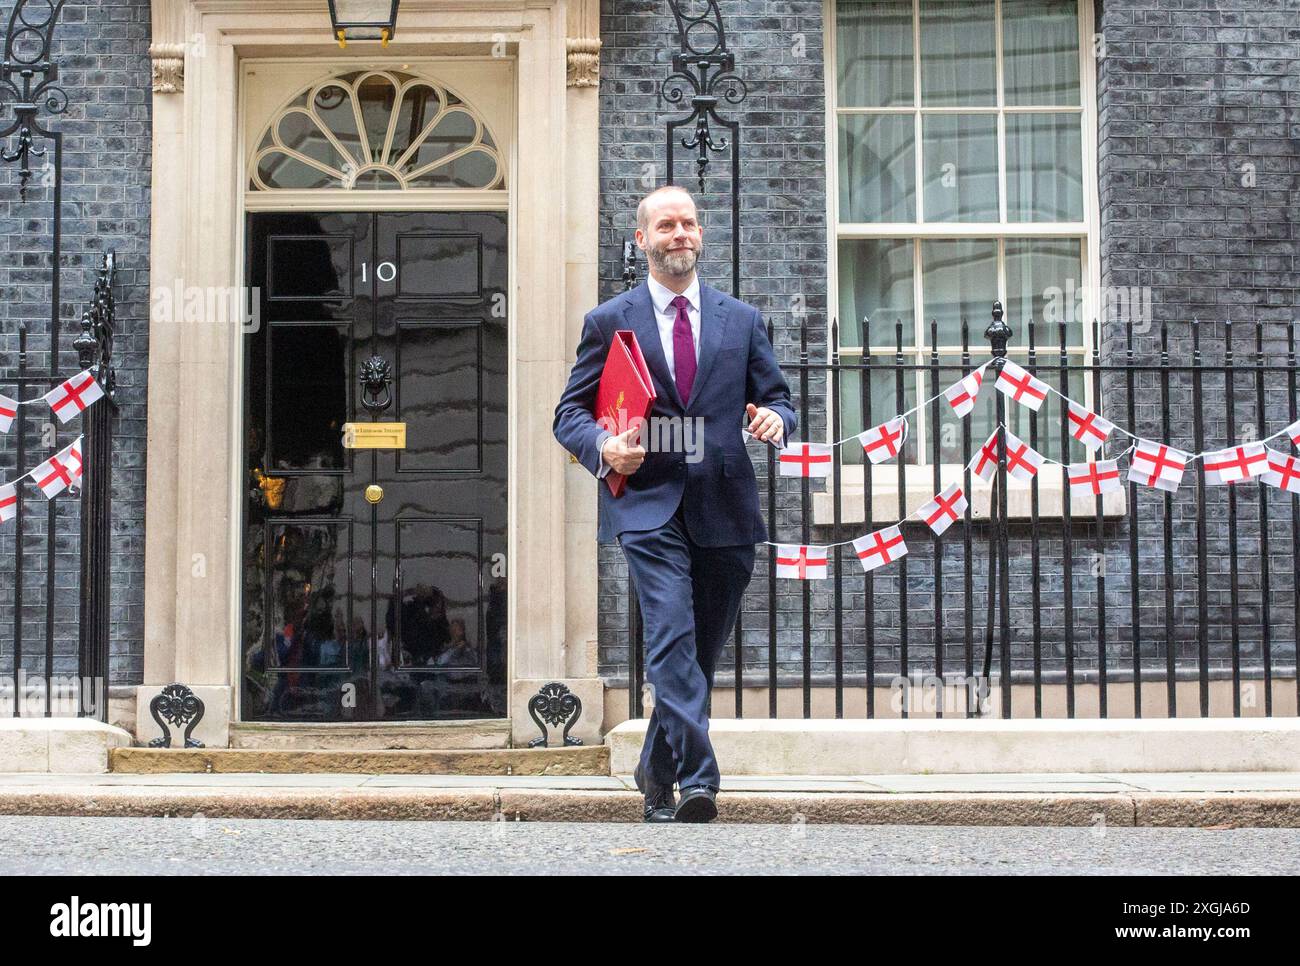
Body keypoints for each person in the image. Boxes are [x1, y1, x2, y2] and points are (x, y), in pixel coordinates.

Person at [553, 184, 796, 823]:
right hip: (647, 505)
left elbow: (779, 398)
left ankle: (653, 770)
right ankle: (698, 779)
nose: (679, 234)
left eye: (688, 223)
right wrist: (605, 447)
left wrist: (773, 419)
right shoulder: (610, 321)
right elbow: (568, 414)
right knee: (669, 635)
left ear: (701, 234)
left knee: (699, 651)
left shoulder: (740, 320)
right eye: (666, 226)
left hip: (724, 504)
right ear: (643, 241)